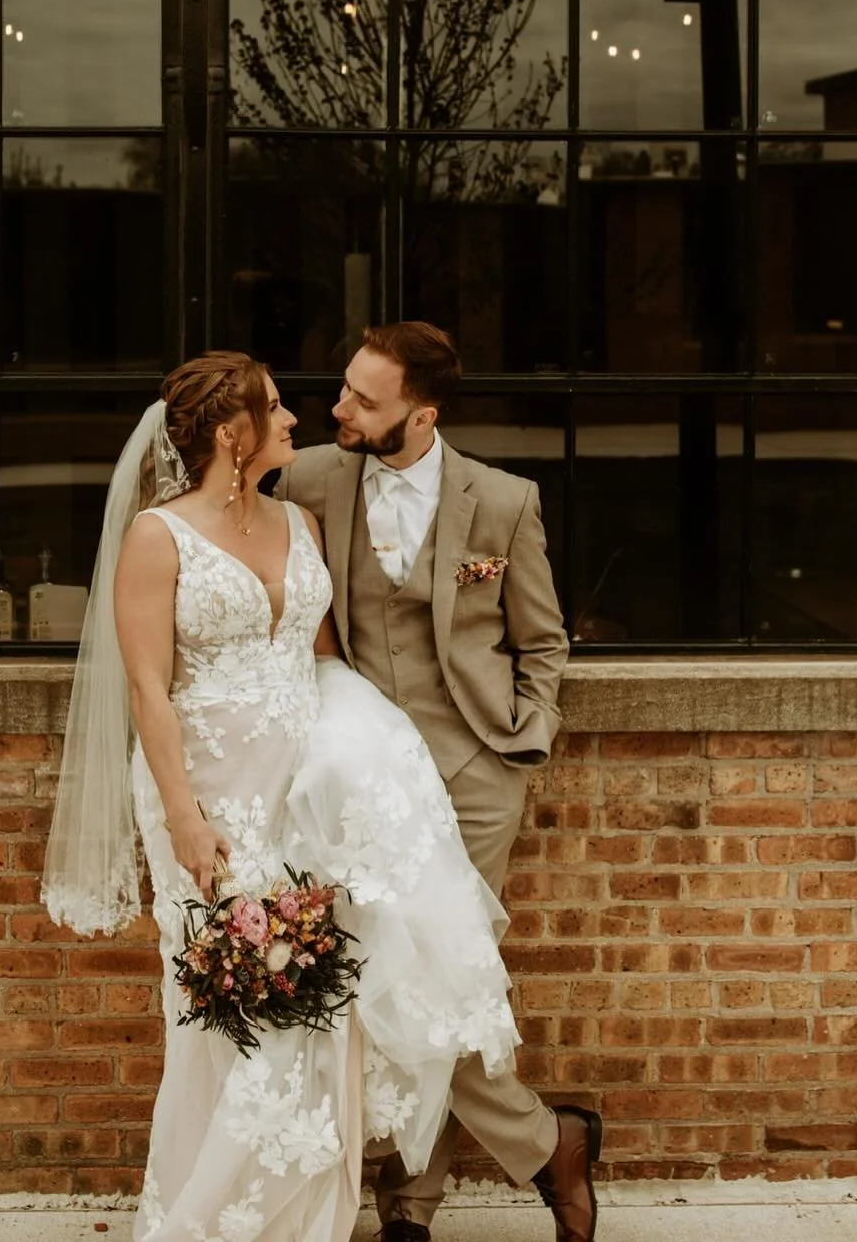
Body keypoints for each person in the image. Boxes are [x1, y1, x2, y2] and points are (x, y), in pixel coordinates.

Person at [41, 351, 524, 1242]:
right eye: (274, 408)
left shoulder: (301, 524)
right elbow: (149, 688)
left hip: (301, 794)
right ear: (233, 434)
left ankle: (310, 1220)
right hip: (205, 792)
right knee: (223, 1009)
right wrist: (184, 816)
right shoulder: (159, 536)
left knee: (317, 1004)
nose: (296, 418)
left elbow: (325, 661)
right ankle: (206, 1218)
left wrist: (368, 775)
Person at [276, 321, 600, 1242]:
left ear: (422, 414)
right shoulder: (307, 480)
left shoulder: (501, 501)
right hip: (356, 778)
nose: (337, 409)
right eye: (343, 389)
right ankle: (550, 1143)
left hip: (469, 776)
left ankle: (409, 1208)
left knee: (444, 985)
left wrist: (522, 741)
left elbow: (542, 640)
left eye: (361, 400)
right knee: (373, 983)